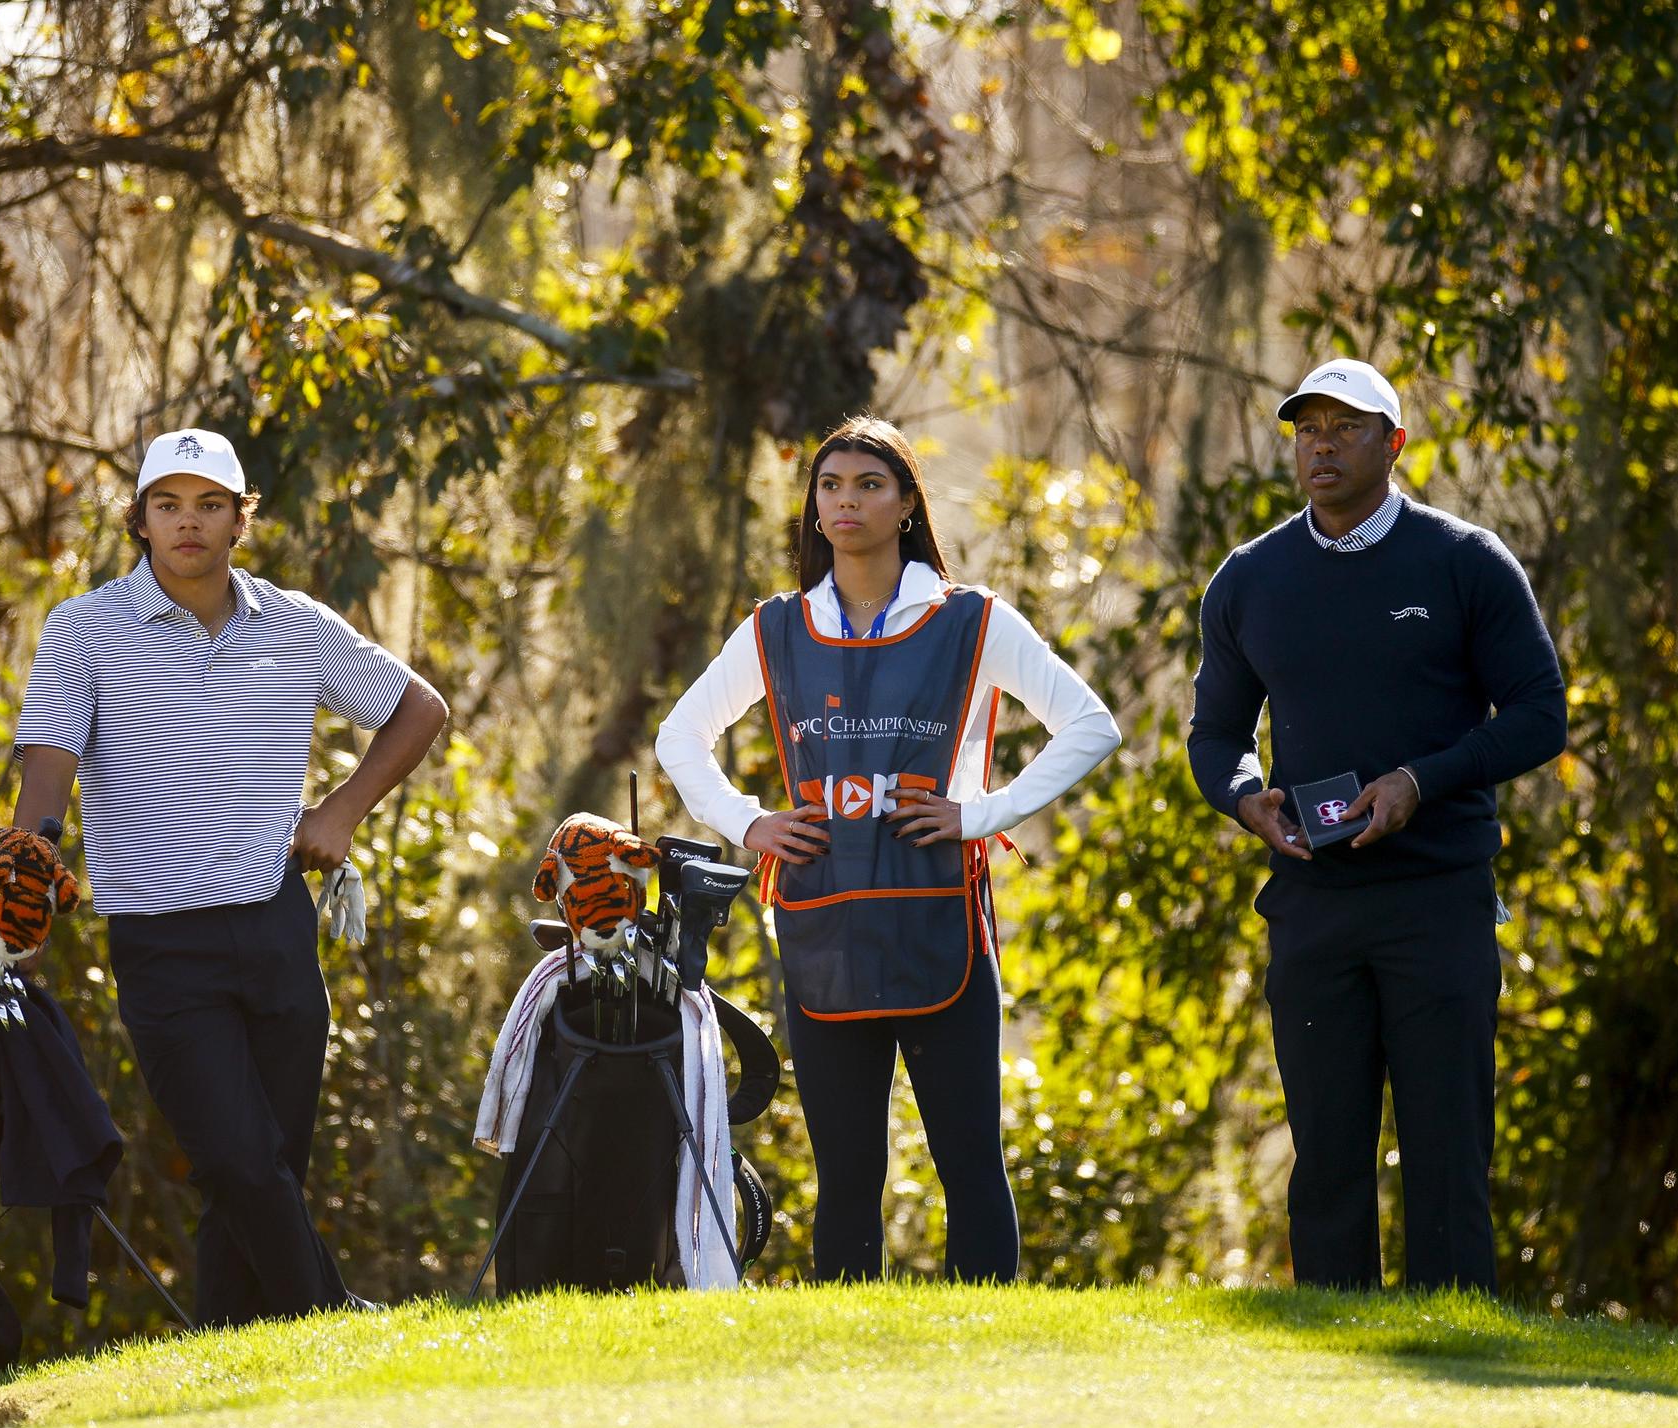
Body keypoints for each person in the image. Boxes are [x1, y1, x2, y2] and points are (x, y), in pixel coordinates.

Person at [657, 415, 1119, 1282]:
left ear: (906, 504)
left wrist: (981, 813)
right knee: (847, 1177)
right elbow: (680, 737)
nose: (846, 501)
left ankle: (982, 1347)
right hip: (824, 924)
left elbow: (1091, 725)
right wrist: (749, 823)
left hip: (941, 920)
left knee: (970, 1162)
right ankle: (846, 1362)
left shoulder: (970, 619)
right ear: (813, 506)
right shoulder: (776, 626)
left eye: (869, 485)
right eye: (830, 485)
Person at [11, 426, 447, 1327]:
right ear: (139, 520)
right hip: (163, 941)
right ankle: (331, 1322)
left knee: (261, 1171)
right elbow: (48, 762)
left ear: (240, 519)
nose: (188, 524)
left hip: (274, 924)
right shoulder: (85, 629)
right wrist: (30, 856)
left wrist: (340, 812)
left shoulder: (292, 624)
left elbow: (417, 708)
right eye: (167, 505)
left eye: (210, 504)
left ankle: (232, 1352)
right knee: (239, 1161)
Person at [1188, 357, 1566, 1292]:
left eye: (1345, 426)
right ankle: (1336, 1359)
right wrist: (1245, 797)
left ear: (1394, 444)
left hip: (1438, 900)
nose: (1322, 443)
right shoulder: (1250, 578)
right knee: (1326, 1162)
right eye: (1307, 427)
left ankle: (1457, 1356)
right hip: (1313, 907)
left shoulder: (1464, 560)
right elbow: (1217, 734)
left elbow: (1538, 713)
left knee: (1445, 1157)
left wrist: (1418, 782)